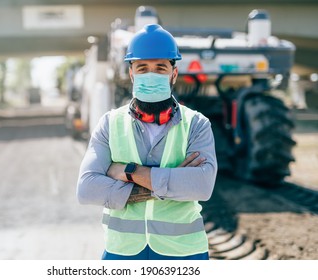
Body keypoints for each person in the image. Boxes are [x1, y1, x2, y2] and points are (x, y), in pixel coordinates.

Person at [77, 24, 217, 260]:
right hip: (122, 252)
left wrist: (128, 171)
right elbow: (87, 189)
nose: (150, 75)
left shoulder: (196, 124)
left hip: (183, 253)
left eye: (160, 68)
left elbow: (202, 186)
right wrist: (170, 183)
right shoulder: (110, 124)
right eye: (142, 68)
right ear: (131, 73)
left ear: (174, 73)